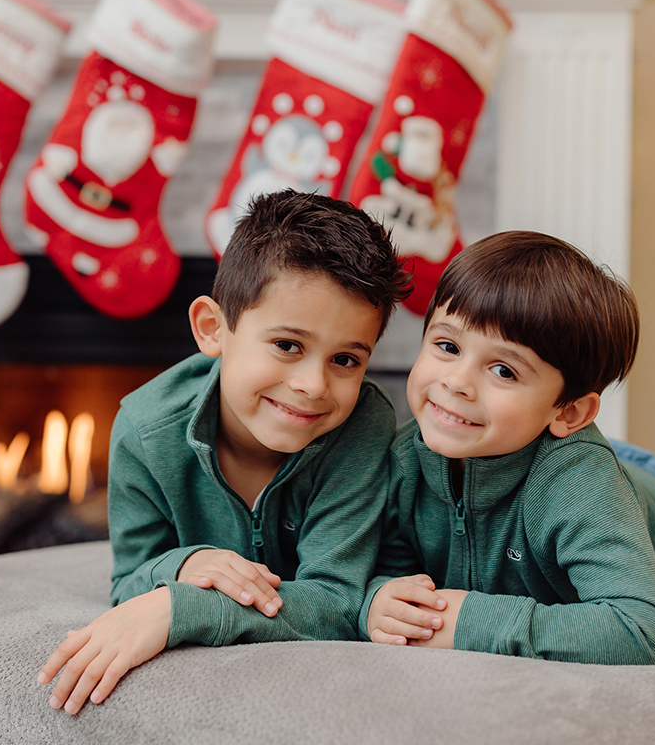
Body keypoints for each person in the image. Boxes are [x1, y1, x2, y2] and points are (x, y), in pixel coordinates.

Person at [39, 190, 411, 714]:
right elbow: (129, 580)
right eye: (287, 345)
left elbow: (337, 602)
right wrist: (185, 563)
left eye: (346, 359)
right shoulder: (144, 430)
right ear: (213, 329)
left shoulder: (362, 427)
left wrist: (178, 609)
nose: (312, 385)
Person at [363, 230, 655, 664]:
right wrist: (381, 599)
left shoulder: (581, 488)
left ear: (567, 412)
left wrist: (472, 619)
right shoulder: (403, 459)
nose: (455, 382)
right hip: (580, 459)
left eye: (504, 371)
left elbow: (641, 631)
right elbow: (391, 569)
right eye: (448, 346)